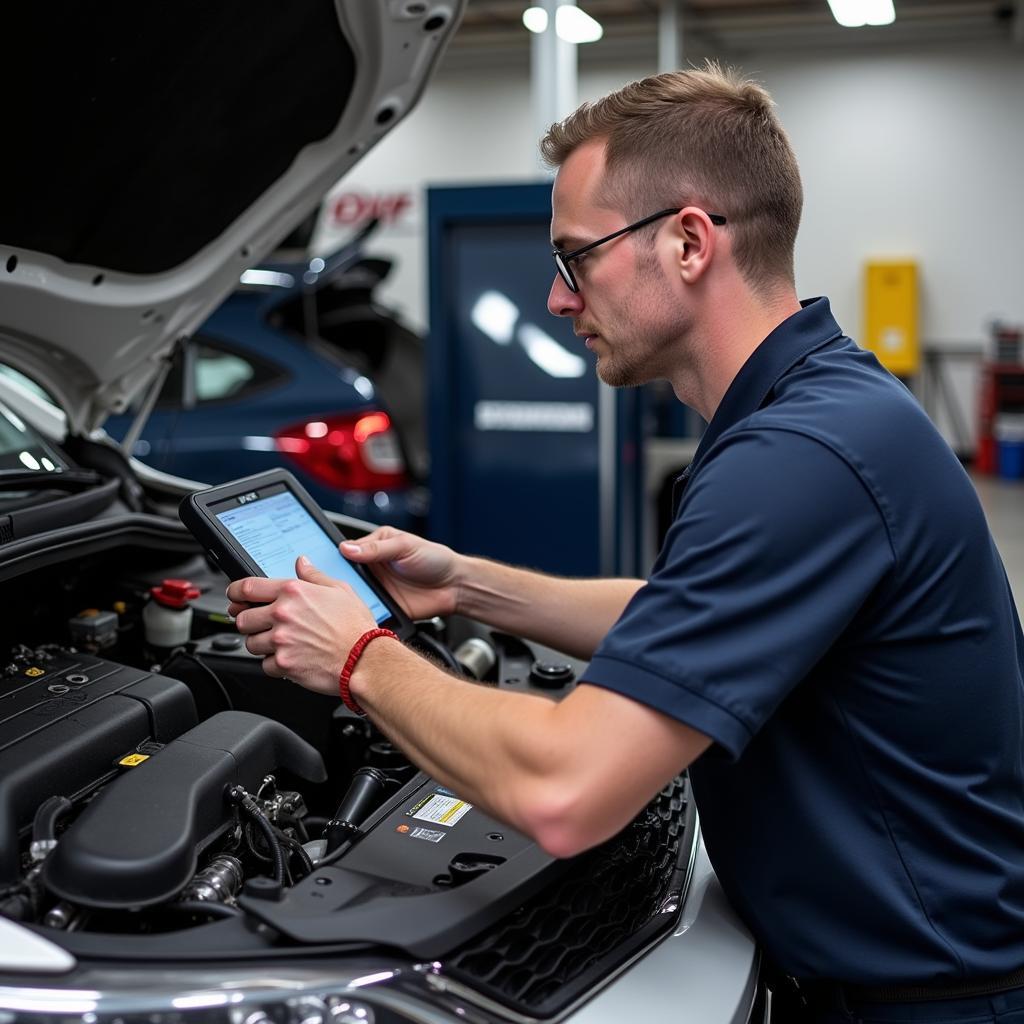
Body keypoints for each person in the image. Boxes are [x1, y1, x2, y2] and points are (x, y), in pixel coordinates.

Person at [226, 64, 1024, 1023]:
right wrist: (468, 585)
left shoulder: (799, 460)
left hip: (925, 1004)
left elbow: (566, 791)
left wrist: (356, 657)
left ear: (689, 242)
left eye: (576, 257)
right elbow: (684, 618)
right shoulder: (820, 409)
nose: (559, 299)